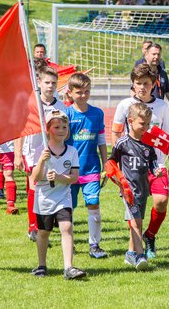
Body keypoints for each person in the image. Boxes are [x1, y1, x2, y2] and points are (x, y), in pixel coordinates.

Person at [112, 64, 169, 259]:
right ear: (133, 84)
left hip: (157, 164)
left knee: (161, 201)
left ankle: (150, 236)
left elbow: (168, 137)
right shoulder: (124, 105)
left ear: (154, 84)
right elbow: (115, 134)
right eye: (138, 83)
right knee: (135, 210)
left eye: (146, 83)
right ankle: (134, 251)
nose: (142, 87)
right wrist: (119, 167)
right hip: (132, 166)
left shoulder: (161, 106)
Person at [31, 109, 86, 280]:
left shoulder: (72, 151)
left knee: (67, 227)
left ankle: (68, 267)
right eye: (57, 127)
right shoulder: (41, 150)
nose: (62, 130)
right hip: (44, 198)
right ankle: (41, 265)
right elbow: (35, 177)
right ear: (47, 129)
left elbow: (75, 177)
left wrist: (60, 177)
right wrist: (41, 161)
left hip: (63, 197)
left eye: (64, 127)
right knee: (44, 232)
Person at [14, 66, 67, 242]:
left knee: (51, 186)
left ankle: (50, 222)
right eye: (47, 82)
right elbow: (20, 130)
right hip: (32, 151)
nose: (50, 86)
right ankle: (33, 227)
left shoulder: (60, 106)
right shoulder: (31, 103)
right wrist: (17, 154)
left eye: (53, 83)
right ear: (39, 83)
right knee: (34, 186)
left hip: (54, 151)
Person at [108, 102, 163, 270]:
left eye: (148, 124)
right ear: (130, 121)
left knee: (137, 222)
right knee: (135, 222)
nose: (145, 127)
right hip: (128, 191)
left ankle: (130, 254)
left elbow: (153, 163)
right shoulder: (122, 143)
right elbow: (112, 162)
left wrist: (157, 171)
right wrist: (118, 179)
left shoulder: (149, 144)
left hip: (142, 190)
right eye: (142, 124)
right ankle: (140, 256)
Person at [65, 73, 109, 259]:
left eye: (87, 91)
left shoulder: (97, 113)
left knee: (93, 205)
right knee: (69, 209)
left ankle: (95, 245)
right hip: (70, 170)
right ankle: (69, 243)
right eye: (79, 92)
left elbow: (101, 140)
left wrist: (106, 163)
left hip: (92, 168)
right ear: (70, 93)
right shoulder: (66, 114)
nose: (83, 95)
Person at [135, 42, 169, 119]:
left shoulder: (163, 73)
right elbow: (133, 90)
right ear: (146, 55)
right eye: (154, 54)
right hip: (143, 112)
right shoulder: (140, 72)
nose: (156, 57)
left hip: (158, 113)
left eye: (158, 54)